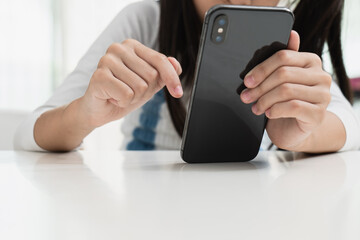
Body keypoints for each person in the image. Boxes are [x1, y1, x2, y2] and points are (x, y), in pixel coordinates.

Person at [14, 0, 360, 153]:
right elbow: (28, 134)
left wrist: (301, 135)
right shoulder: (145, 22)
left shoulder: (286, 43)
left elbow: (348, 125)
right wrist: (84, 114)